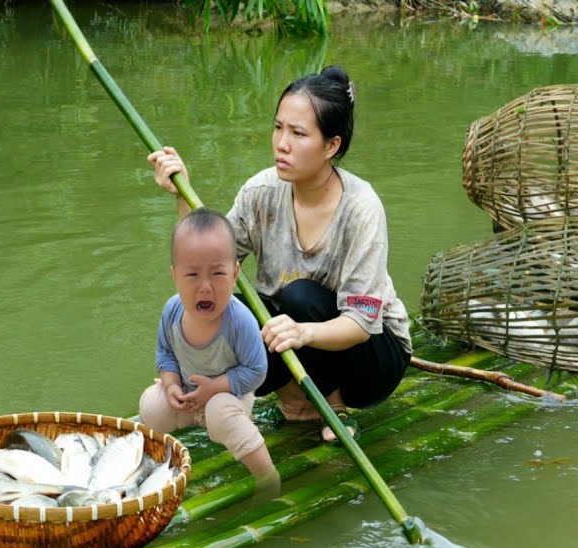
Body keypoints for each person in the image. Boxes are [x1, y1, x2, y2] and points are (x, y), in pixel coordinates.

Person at [147, 66, 412, 442]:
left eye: (298, 133)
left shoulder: (361, 208)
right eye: (278, 128)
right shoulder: (261, 192)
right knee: (216, 304)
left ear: (331, 146)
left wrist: (301, 332)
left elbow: (360, 323)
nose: (281, 143)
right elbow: (209, 265)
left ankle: (332, 406)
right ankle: (293, 398)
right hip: (295, 343)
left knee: (298, 297)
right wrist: (181, 194)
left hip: (370, 358)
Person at [139, 208, 280, 484]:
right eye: (192, 275)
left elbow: (257, 371)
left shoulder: (240, 321)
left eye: (217, 274)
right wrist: (171, 386)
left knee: (220, 413)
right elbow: (165, 355)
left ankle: (267, 475)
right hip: (189, 395)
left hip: (230, 396)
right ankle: (157, 469)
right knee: (151, 405)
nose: (205, 287)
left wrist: (214, 388)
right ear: (175, 275)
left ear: (235, 273)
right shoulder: (171, 311)